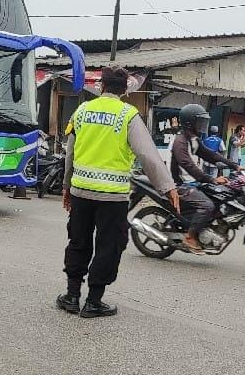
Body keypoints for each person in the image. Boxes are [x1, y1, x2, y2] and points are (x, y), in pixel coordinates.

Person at [58, 66, 179, 318]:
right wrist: (168, 187)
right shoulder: (128, 115)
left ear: (101, 86)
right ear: (125, 91)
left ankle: (71, 296)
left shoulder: (82, 111)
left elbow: (71, 153)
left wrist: (67, 187)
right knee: (109, 247)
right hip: (112, 198)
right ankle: (93, 302)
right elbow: (147, 155)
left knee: (78, 241)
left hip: (81, 192)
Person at [170, 104, 243, 254]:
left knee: (220, 200)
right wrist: (212, 180)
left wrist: (235, 166)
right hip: (180, 185)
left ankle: (205, 229)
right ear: (190, 123)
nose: (203, 126)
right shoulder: (180, 142)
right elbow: (189, 166)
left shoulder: (193, 139)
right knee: (207, 206)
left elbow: (210, 154)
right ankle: (190, 237)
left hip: (194, 183)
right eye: (200, 122)